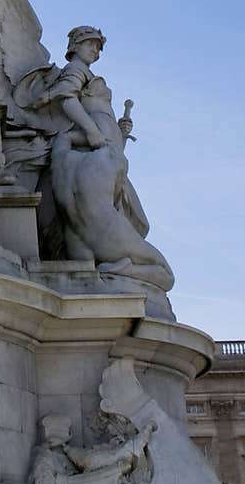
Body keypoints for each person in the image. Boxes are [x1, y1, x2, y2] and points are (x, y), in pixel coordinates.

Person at [41, 27, 174, 291]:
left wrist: (118, 135)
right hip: (97, 153)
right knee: (158, 261)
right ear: (75, 46)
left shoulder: (88, 75)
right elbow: (66, 98)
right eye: (90, 44)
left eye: (98, 47)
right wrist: (93, 132)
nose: (95, 50)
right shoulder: (75, 71)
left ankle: (121, 267)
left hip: (101, 154)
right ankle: (124, 268)